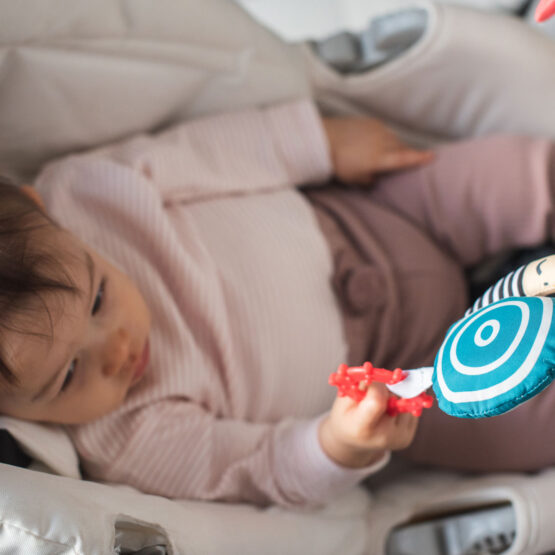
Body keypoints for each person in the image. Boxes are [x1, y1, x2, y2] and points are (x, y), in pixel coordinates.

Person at [0, 98, 553, 507]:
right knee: (523, 427)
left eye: (98, 298)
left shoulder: (88, 195)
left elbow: (208, 153)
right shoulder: (124, 438)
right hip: (405, 383)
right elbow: (254, 470)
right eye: (68, 375)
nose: (117, 350)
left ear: (42, 211)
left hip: (373, 217)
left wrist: (320, 143)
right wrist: (337, 444)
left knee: (510, 173)